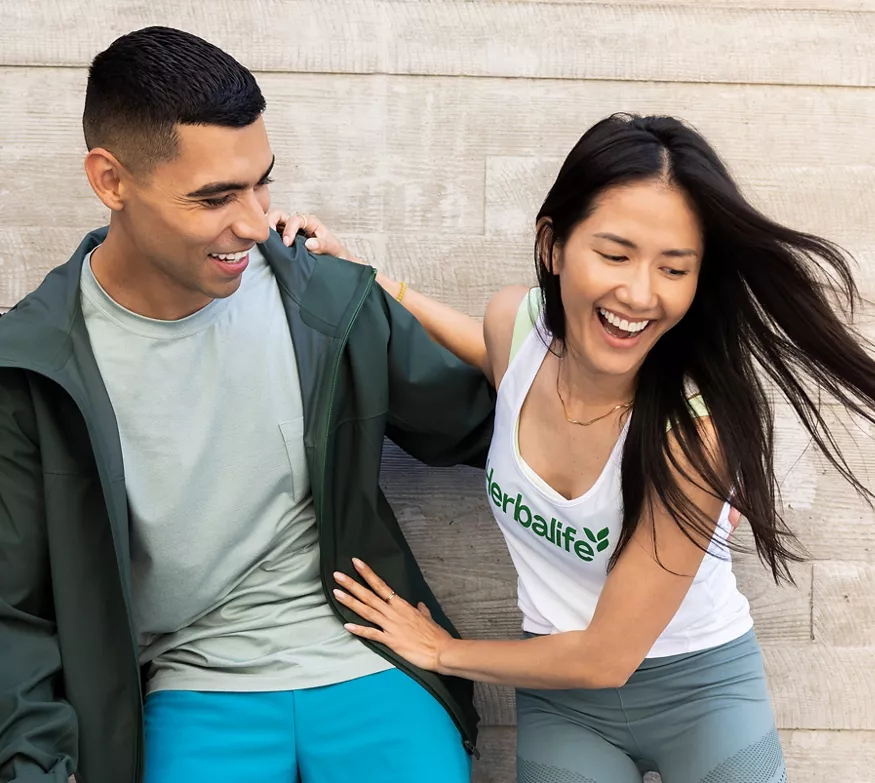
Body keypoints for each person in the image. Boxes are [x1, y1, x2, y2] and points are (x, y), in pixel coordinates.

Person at [302, 113, 875, 782]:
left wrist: (440, 651)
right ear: (553, 245)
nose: (639, 293)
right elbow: (481, 341)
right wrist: (365, 280)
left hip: (701, 691)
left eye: (673, 268)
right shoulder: (516, 330)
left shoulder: (691, 436)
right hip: (562, 701)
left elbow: (606, 658)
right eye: (615, 254)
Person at [0, 27, 495, 783]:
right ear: (111, 180)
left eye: (261, 183)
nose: (256, 223)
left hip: (363, 652)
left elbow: (494, 428)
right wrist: (35, 764)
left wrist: (656, 419)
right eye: (215, 197)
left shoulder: (321, 299)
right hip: (187, 681)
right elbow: (12, 606)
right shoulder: (34, 365)